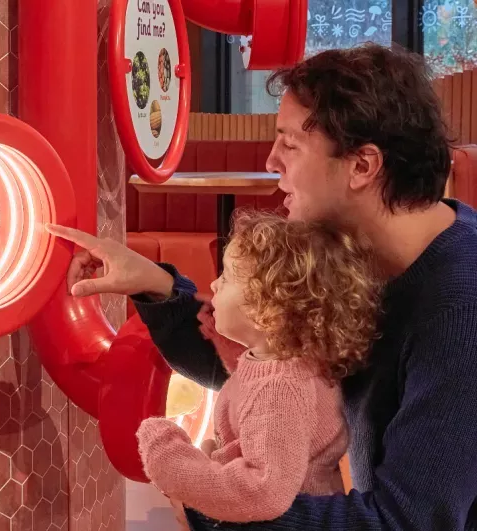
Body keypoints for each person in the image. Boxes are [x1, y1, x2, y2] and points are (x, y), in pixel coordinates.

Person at [48, 43, 477, 530]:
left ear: (363, 166)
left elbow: (407, 522)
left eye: (290, 144)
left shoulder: (461, 306)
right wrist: (153, 285)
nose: (271, 161)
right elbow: (263, 365)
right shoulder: (356, 252)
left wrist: (213, 508)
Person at [135, 210, 380, 523]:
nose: (214, 283)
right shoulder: (286, 361)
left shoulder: (280, 388)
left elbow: (262, 492)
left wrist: (168, 459)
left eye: (226, 278)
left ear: (270, 305)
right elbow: (249, 398)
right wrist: (229, 346)